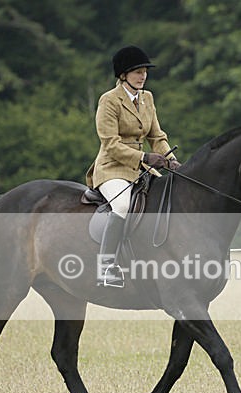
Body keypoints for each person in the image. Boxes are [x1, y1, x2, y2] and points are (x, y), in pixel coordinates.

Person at [85, 45, 182, 288]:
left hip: (140, 167)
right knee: (122, 204)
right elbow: (110, 144)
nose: (143, 76)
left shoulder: (147, 98)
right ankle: (106, 267)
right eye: (137, 72)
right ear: (123, 75)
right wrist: (144, 158)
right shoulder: (108, 101)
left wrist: (169, 159)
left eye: (144, 71)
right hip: (112, 167)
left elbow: (156, 137)